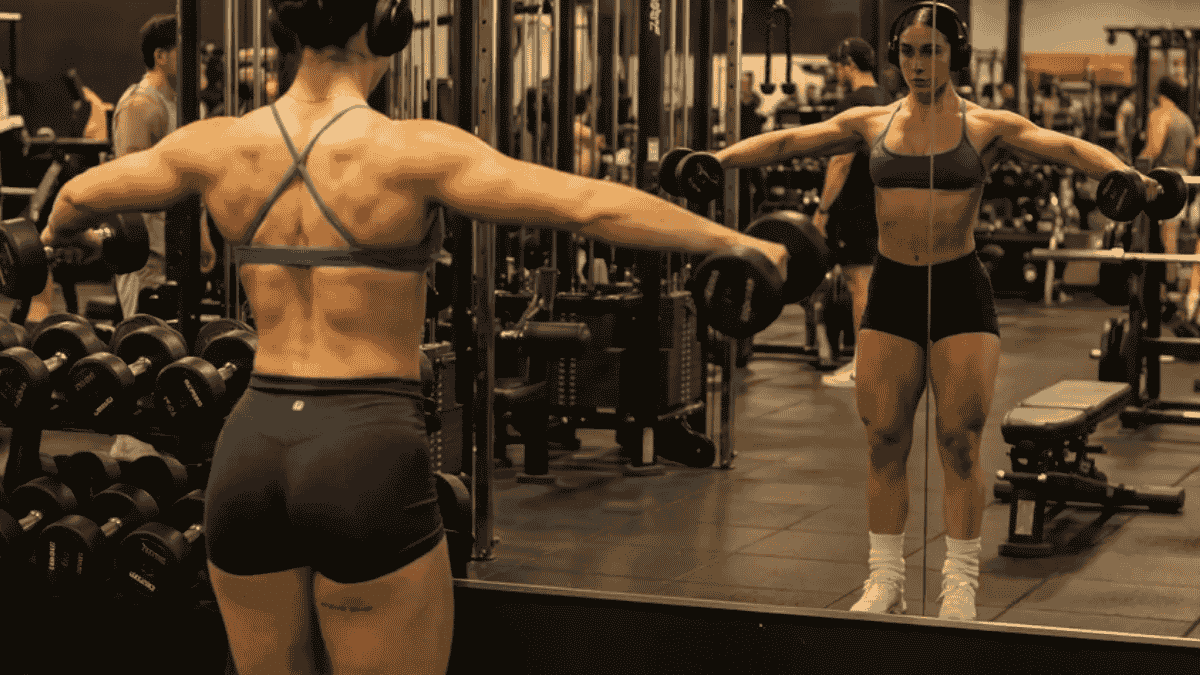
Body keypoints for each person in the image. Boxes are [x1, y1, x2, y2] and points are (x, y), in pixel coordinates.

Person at [39, 1, 788, 673]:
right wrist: (734, 243)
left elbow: (75, 197)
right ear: (386, 24)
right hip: (362, 447)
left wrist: (55, 237)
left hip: (249, 449)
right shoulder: (413, 150)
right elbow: (587, 206)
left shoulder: (216, 145)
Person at [713, 1, 1162, 621]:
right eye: (909, 52)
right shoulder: (871, 121)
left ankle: (959, 584)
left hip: (959, 292)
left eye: (933, 51)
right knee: (884, 441)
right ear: (895, 56)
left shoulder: (985, 125)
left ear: (954, 55)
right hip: (893, 290)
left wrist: (1129, 176)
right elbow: (791, 139)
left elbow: (1063, 147)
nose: (919, 65)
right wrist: (715, 161)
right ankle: (885, 577)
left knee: (958, 441)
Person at [814, 38, 893, 388]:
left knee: (859, 283)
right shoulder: (888, 102)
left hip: (855, 205)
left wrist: (823, 208)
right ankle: (877, 361)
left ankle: (865, 365)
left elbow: (841, 160)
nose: (836, 72)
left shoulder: (852, 104)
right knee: (873, 284)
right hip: (881, 204)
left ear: (848, 64)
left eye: (838, 66)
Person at [1136, 77, 1197, 295]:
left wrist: (1130, 169)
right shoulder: (1187, 121)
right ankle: (1170, 283)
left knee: (1152, 234)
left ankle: (1159, 286)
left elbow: (1153, 149)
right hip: (1182, 178)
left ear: (1161, 94)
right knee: (1171, 233)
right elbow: (1190, 160)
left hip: (1162, 179)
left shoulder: (1160, 115)